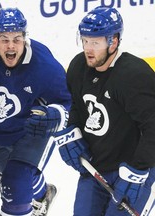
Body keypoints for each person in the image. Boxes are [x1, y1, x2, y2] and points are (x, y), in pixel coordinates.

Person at [0, 7, 71, 216]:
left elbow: (67, 102)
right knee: (15, 178)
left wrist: (54, 115)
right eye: (4, 39)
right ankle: (42, 194)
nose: (11, 46)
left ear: (25, 39)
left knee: (13, 185)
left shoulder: (44, 65)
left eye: (16, 39)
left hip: (32, 132)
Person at [57, 6, 155, 216]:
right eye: (85, 40)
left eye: (96, 42)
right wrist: (71, 131)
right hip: (96, 170)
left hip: (134, 171)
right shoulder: (77, 67)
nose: (88, 49)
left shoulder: (133, 76)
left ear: (114, 42)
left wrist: (139, 169)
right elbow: (76, 106)